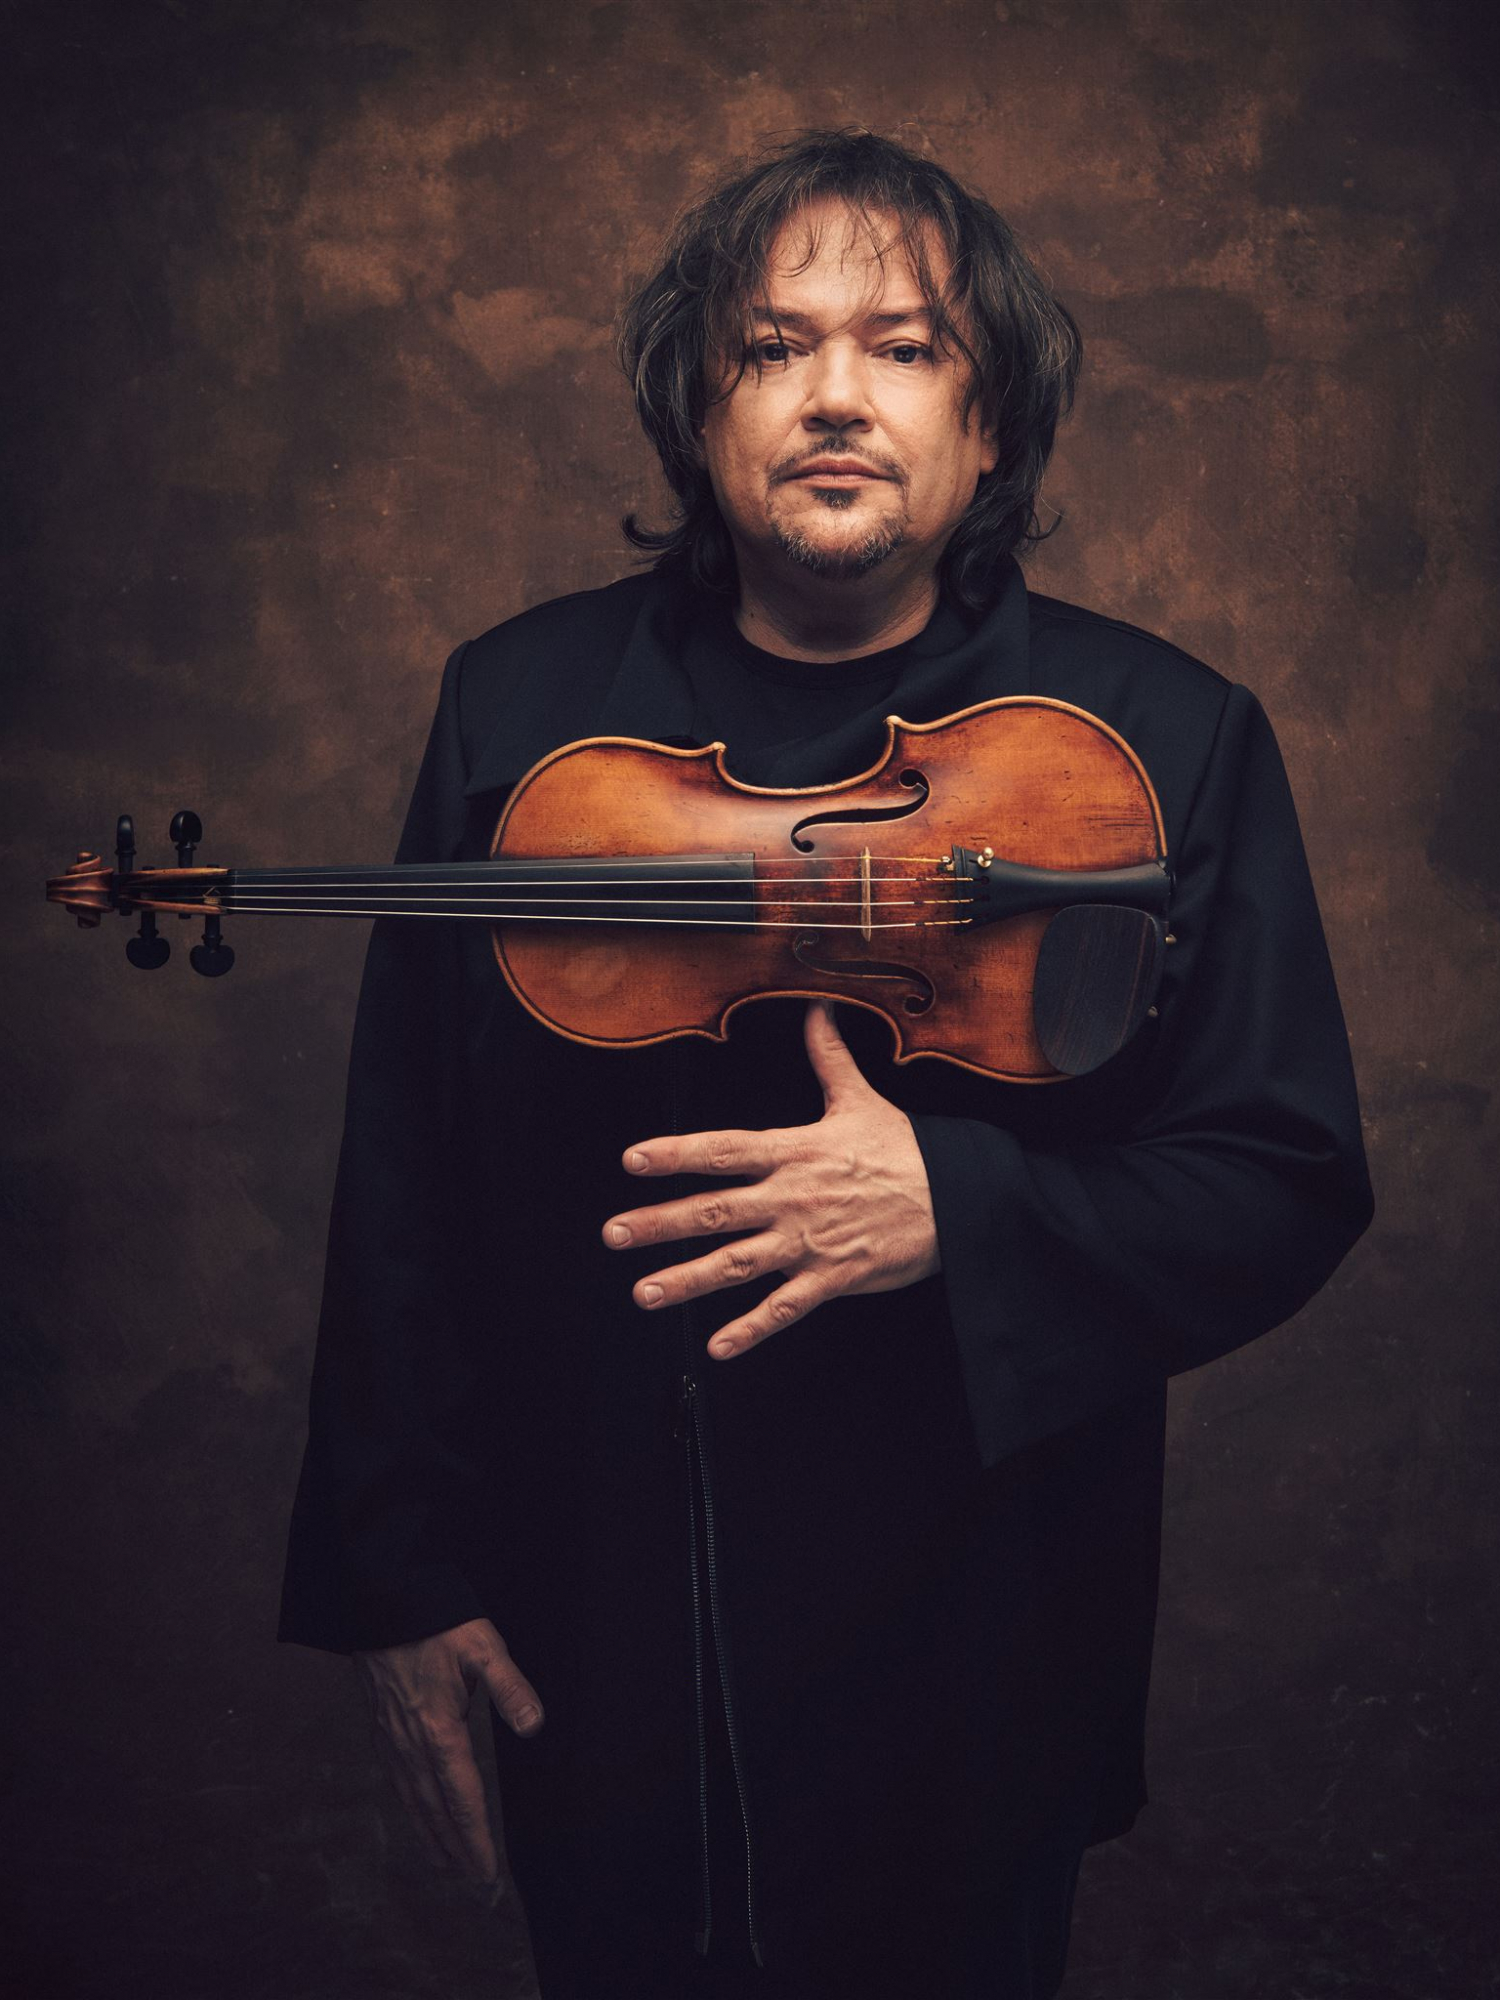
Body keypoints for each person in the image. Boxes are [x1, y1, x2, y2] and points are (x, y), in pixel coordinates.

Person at [277, 129, 1373, 1999]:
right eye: (772, 348)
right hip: (597, 1619)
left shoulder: (1166, 741)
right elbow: (408, 1169)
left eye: (907, 347)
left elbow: (1283, 1175)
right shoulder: (521, 713)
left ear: (991, 424)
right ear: (696, 415)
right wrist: (399, 1575)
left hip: (979, 1639)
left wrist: (962, 1205)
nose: (836, 397)